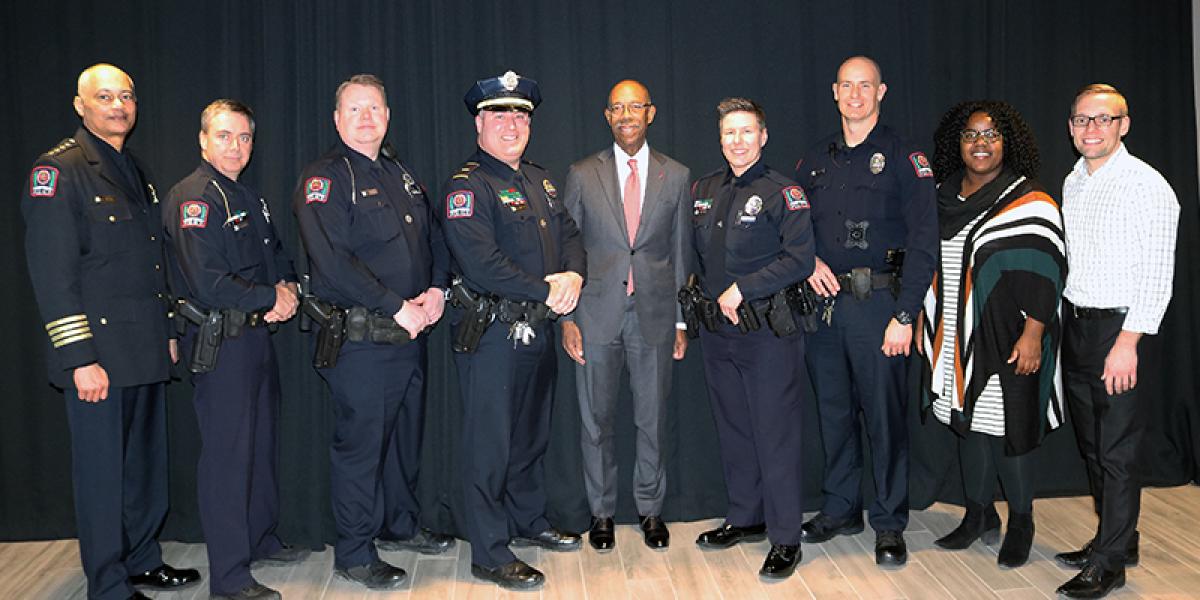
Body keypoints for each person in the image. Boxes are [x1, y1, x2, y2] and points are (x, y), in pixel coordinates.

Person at [21, 63, 200, 600]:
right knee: (103, 477)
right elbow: (53, 275)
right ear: (81, 105)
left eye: (126, 96)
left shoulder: (131, 168)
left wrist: (167, 328)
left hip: (141, 348)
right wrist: (78, 357)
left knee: (144, 469)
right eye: (104, 96)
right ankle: (108, 583)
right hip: (97, 355)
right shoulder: (59, 172)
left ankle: (142, 559)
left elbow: (151, 262)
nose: (118, 105)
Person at [293, 73, 454, 591]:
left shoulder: (399, 172)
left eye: (376, 108)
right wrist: (395, 306)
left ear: (388, 116)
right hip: (362, 342)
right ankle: (356, 553)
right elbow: (333, 263)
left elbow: (434, 235)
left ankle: (399, 526)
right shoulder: (324, 179)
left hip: (410, 335)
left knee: (404, 443)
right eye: (355, 109)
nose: (367, 118)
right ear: (337, 119)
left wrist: (436, 289)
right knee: (361, 451)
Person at [439, 70, 586, 591]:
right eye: (499, 114)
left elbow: (569, 235)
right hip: (493, 336)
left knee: (530, 437)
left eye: (520, 115)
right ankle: (490, 550)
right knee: (490, 446)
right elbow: (481, 264)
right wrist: (547, 290)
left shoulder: (540, 180)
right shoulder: (467, 186)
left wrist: (572, 274)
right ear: (479, 123)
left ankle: (530, 519)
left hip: (537, 332)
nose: (511, 124)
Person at [793, 56, 938, 567]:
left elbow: (925, 241)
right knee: (833, 414)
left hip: (880, 305)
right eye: (847, 86)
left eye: (865, 86)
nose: (855, 94)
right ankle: (840, 508)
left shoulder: (905, 156)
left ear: (882, 91)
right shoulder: (814, 160)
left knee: (883, 418)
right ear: (834, 92)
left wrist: (905, 315)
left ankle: (890, 521)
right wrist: (806, 259)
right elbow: (795, 228)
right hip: (826, 308)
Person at [163, 99, 309, 600]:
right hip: (222, 343)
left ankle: (260, 538)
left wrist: (285, 287)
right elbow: (208, 281)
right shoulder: (195, 199)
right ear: (203, 139)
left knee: (261, 447)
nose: (236, 147)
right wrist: (272, 297)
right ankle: (228, 577)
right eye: (224, 136)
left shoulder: (246, 195)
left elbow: (277, 254)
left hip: (254, 338)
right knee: (228, 459)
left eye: (244, 137)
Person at [918, 100, 1066, 569]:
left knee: (1009, 429)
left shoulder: (1030, 200)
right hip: (955, 336)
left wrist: (1033, 334)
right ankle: (979, 515)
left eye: (991, 134)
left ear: (1009, 142)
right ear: (955, 144)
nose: (980, 144)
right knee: (970, 426)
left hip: (1010, 336)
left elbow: (1049, 269)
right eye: (970, 135)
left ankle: (1021, 520)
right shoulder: (943, 196)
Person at [1053, 84, 1179, 599]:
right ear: (1071, 126)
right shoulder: (1074, 181)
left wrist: (1128, 341)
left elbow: (1157, 273)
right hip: (1078, 325)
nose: (1092, 129)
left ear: (1123, 125)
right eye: (1083, 120)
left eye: (1104, 120)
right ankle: (1118, 539)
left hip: (1120, 330)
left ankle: (1109, 565)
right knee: (1091, 445)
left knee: (1117, 451)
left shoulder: (1147, 185)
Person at [560, 79, 691, 552]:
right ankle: (601, 513)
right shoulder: (581, 173)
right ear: (607, 116)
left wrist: (680, 320)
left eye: (635, 106)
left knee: (652, 419)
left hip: (655, 316)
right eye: (618, 107)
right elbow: (567, 249)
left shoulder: (675, 175)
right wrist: (567, 318)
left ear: (650, 113)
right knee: (596, 421)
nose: (627, 115)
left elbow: (680, 254)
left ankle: (651, 511)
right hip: (594, 316)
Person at [689, 97, 814, 579]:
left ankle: (786, 537)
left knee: (775, 435)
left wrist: (745, 288)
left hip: (767, 332)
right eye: (729, 133)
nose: (737, 141)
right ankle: (746, 516)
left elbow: (800, 258)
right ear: (720, 139)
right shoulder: (705, 188)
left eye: (746, 132)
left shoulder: (784, 192)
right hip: (719, 333)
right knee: (735, 429)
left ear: (763, 137)